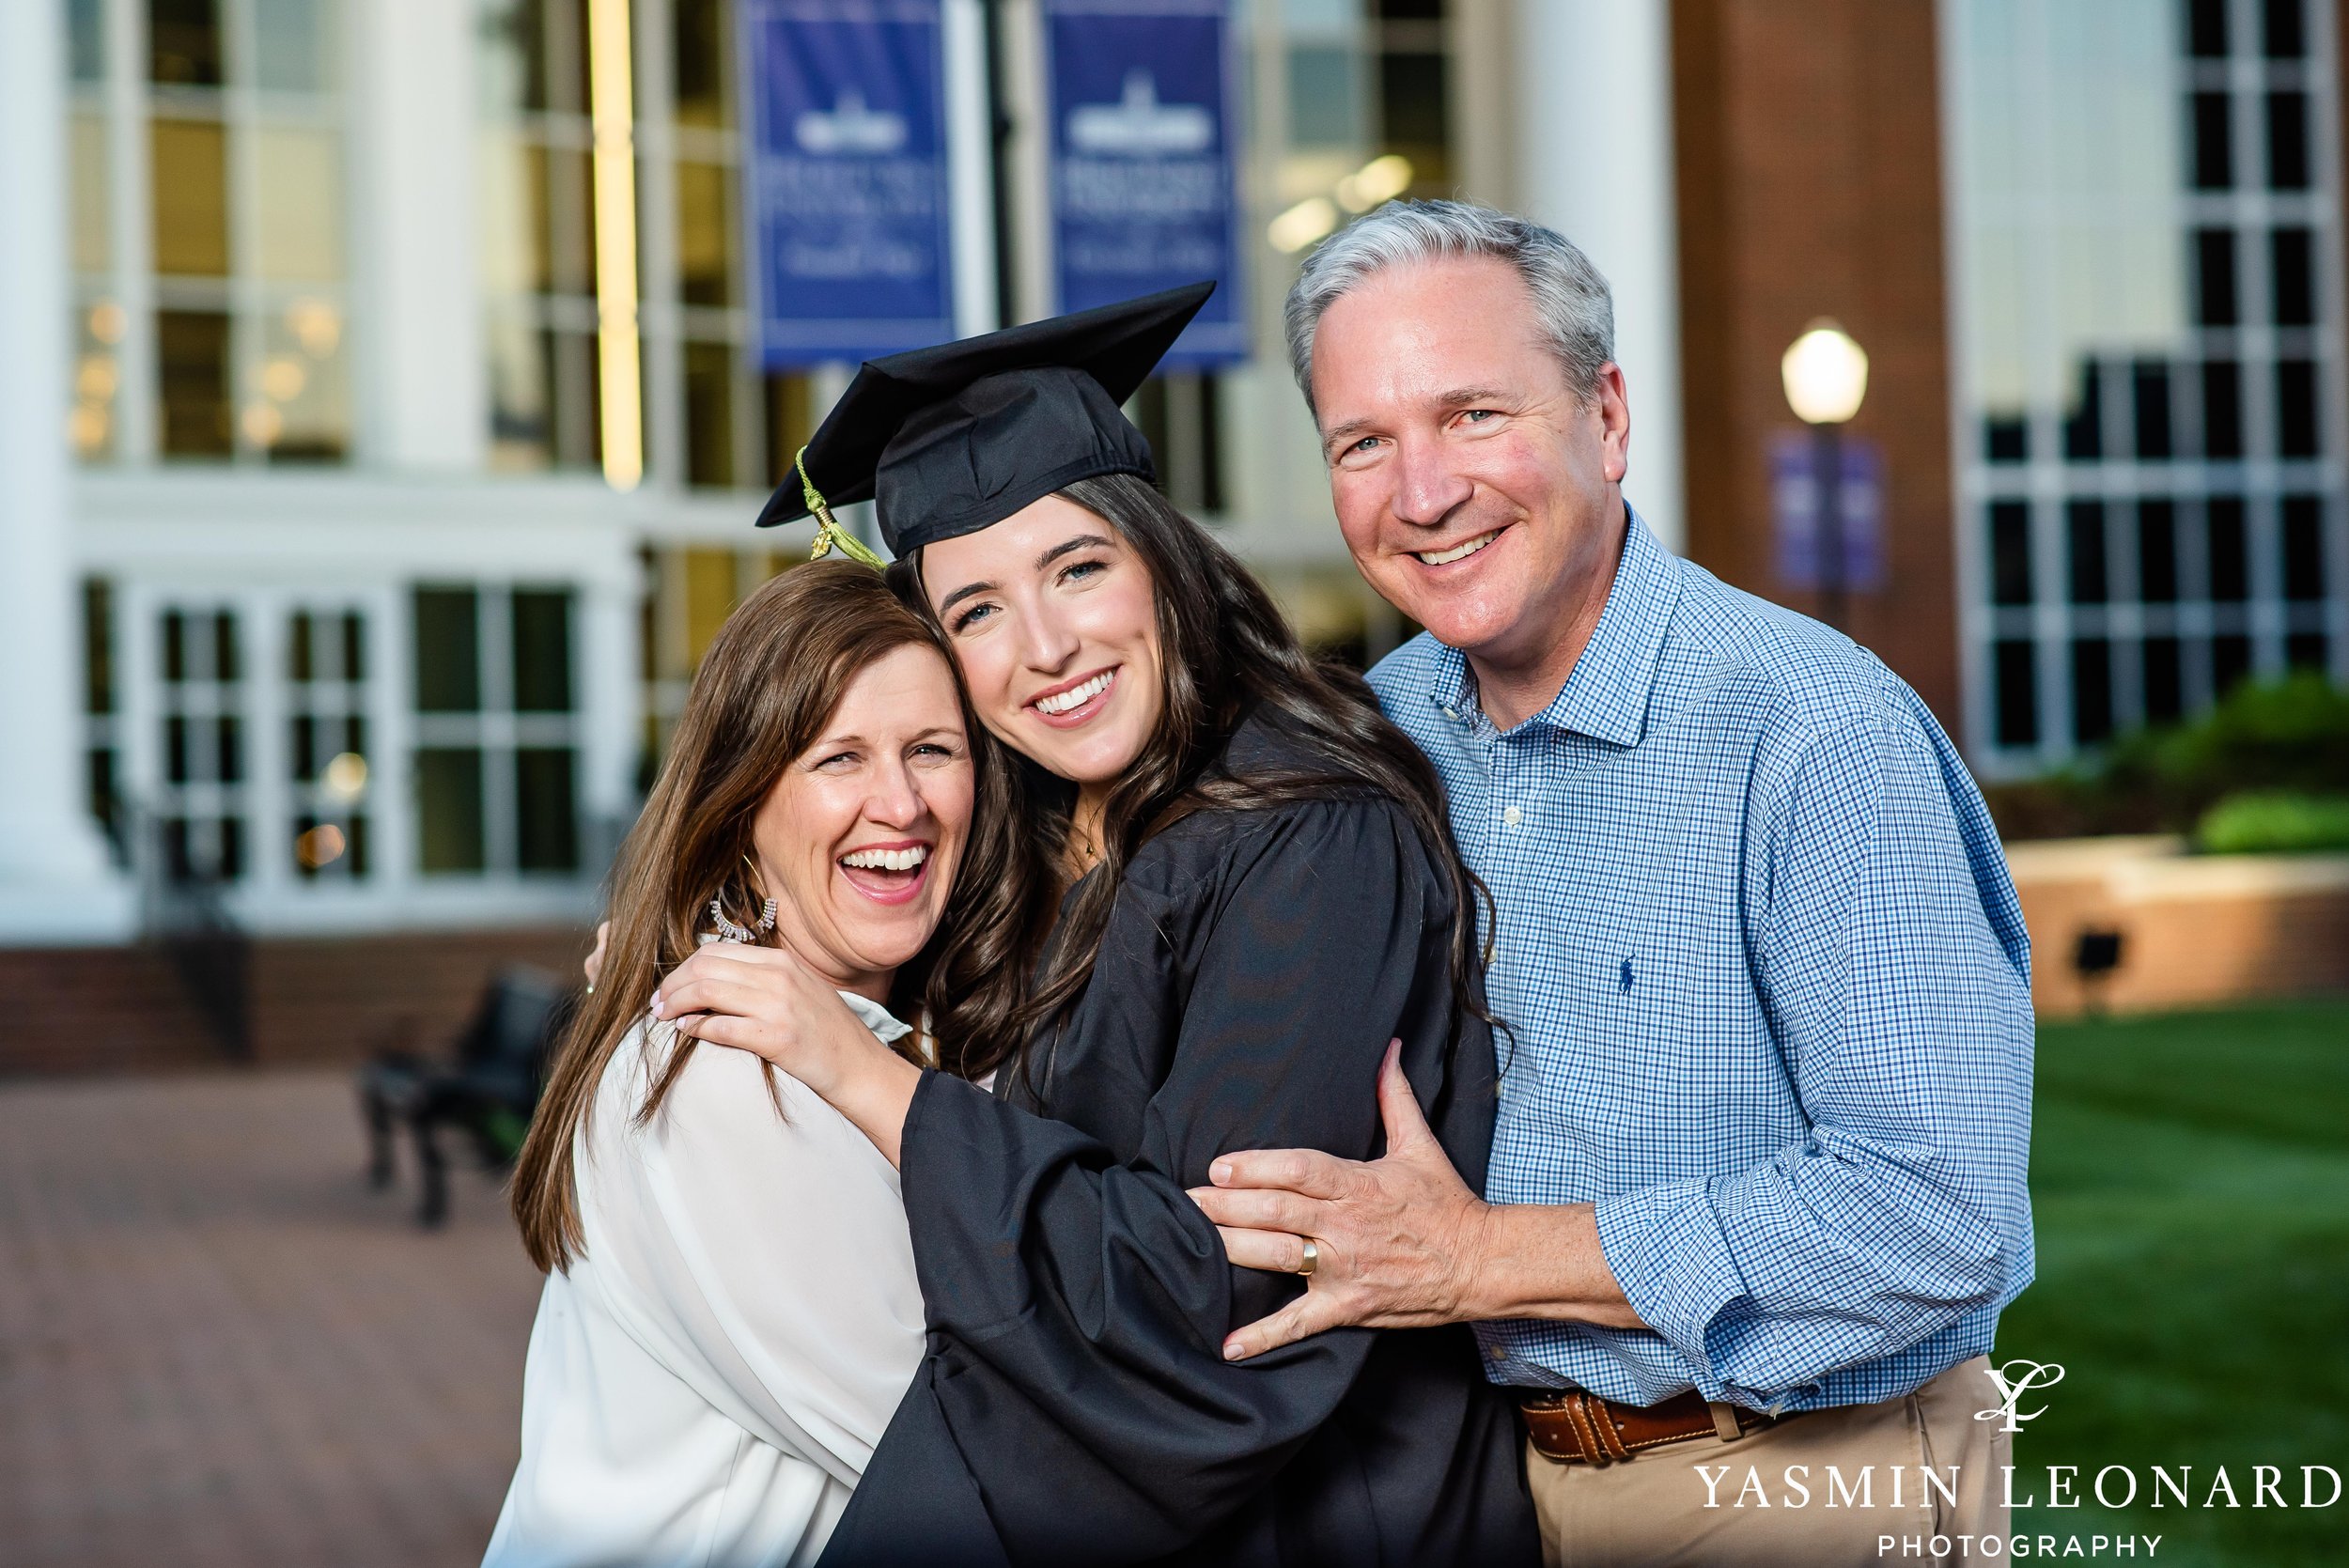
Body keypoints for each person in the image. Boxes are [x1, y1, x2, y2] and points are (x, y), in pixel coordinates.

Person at [1189, 200, 2037, 1566]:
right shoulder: (1371, 741)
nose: (1422, 493)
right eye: (1365, 442)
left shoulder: (1811, 731)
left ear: (1608, 417)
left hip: (1798, 1480)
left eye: (1474, 415)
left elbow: (1935, 1212)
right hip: (1486, 1491)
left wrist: (1477, 1261)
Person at [646, 285, 1537, 1567]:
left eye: (1077, 568)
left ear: (1158, 559)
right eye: (978, 612)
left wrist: (866, 1081)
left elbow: (1213, 1303)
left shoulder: (1308, 841)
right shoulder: (1046, 845)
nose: (1048, 645)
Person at [485, 562, 1033, 1568]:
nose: (900, 803)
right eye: (839, 759)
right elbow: (987, 1453)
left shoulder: (869, 1037)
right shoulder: (717, 1078)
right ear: (743, 802)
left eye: (931, 750)